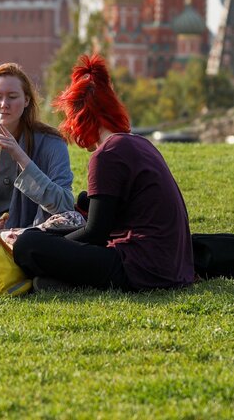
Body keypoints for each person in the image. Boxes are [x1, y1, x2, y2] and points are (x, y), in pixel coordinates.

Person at [12, 54, 195, 292]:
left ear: (80, 118)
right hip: (171, 265)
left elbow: (96, 233)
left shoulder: (107, 155)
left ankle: (57, 274)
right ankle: (60, 280)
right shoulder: (140, 143)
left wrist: (54, 246)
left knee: (28, 244)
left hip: (139, 267)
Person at [0, 63, 74, 230]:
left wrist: (21, 158)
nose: (4, 104)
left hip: (34, 236)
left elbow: (65, 205)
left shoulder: (51, 143)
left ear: (26, 100)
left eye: (12, 96)